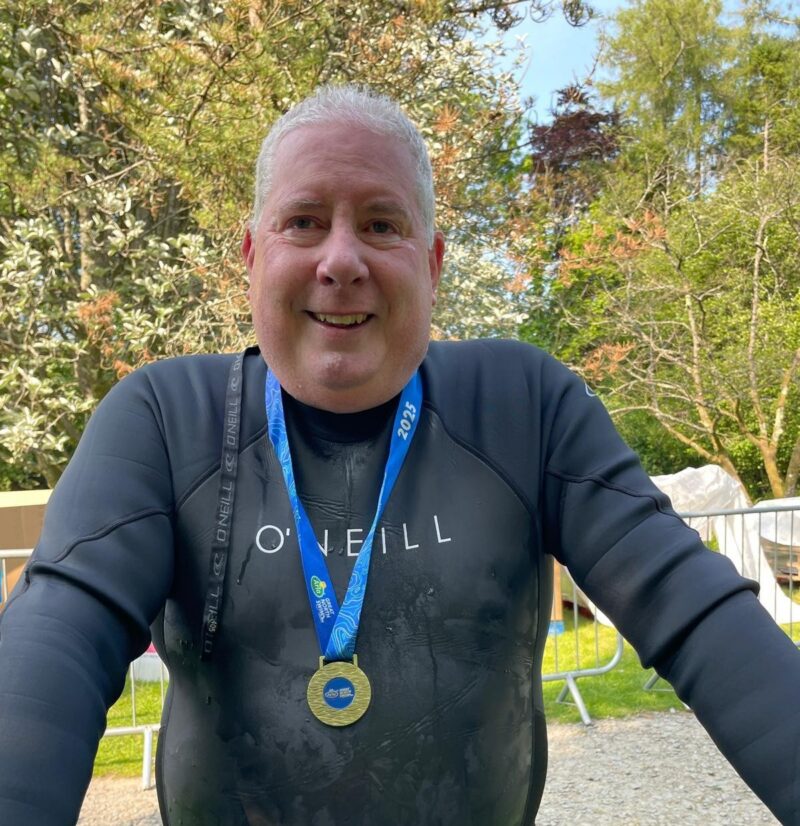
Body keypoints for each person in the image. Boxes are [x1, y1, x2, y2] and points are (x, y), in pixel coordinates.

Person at [0, 85, 798, 826]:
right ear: (251, 256)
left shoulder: (523, 404)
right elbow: (56, 639)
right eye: (304, 220)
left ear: (433, 263)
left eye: (382, 224)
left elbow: (695, 613)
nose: (341, 259)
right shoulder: (164, 417)